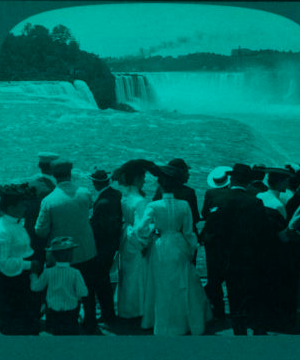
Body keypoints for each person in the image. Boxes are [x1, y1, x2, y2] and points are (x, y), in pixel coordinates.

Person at [136, 165, 213, 335]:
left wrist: (147, 238)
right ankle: (186, 321)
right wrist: (192, 248)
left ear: (160, 186)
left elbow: (141, 228)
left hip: (161, 245)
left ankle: (162, 322)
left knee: (161, 284)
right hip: (179, 244)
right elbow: (188, 232)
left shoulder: (154, 206)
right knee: (182, 283)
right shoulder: (184, 204)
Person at [35, 159, 98, 334]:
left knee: (60, 289)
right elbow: (89, 207)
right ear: (70, 173)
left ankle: (61, 323)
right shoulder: (84, 192)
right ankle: (90, 323)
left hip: (62, 254)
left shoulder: (49, 200)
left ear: (54, 175)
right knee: (88, 289)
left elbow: (40, 231)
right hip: (87, 250)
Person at [210, 164, 273, 335]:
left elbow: (213, 233)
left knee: (234, 293)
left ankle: (239, 330)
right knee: (252, 293)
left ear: (231, 179)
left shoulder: (220, 201)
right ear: (248, 182)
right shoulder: (256, 202)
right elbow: (265, 233)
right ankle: (256, 327)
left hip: (229, 257)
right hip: (251, 257)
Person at [112, 159, 155, 319]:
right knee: (137, 275)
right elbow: (142, 227)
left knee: (126, 274)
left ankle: (125, 309)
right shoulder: (140, 200)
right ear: (137, 178)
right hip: (136, 239)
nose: (144, 180)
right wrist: (145, 241)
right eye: (143, 177)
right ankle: (138, 310)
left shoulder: (125, 196)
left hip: (126, 237)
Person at [0, 183, 43, 335]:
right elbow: (3, 263)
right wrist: (29, 265)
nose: (25, 208)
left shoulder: (16, 224)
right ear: (11, 208)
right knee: (16, 322)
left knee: (27, 320)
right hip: (14, 283)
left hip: (24, 278)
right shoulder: (3, 231)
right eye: (21, 205)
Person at [30, 236, 88, 335]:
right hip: (71, 311)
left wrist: (33, 274)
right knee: (71, 334)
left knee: (56, 333)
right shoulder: (75, 273)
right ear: (69, 256)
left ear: (53, 256)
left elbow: (35, 287)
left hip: (53, 312)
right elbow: (83, 292)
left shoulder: (48, 272)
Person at [89, 167, 123, 324]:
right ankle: (108, 313)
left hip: (102, 247)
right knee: (105, 279)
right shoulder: (117, 194)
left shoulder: (101, 203)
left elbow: (98, 229)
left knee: (100, 280)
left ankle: (107, 314)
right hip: (113, 243)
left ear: (95, 183)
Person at [200, 165, 232, 320]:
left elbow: (204, 213)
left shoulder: (210, 193)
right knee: (228, 269)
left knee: (213, 270)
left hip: (211, 238)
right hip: (229, 238)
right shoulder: (232, 194)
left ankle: (216, 305)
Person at [153, 158, 201, 244]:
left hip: (163, 236)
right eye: (187, 172)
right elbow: (195, 218)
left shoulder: (160, 190)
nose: (189, 174)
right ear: (181, 174)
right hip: (185, 237)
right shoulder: (189, 192)